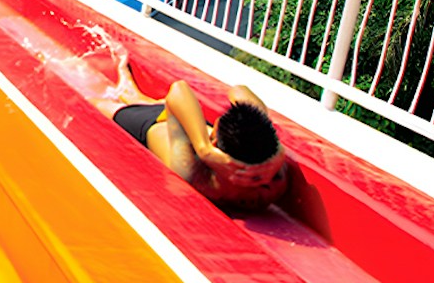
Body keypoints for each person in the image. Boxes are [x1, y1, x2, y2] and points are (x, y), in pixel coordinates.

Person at [78, 57, 288, 211]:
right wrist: (203, 150)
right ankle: (133, 96)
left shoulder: (273, 172)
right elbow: (181, 90)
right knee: (92, 102)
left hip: (180, 123)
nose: (260, 190)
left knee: (154, 108)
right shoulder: (192, 169)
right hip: (150, 124)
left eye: (261, 180)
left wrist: (276, 151)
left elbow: (238, 92)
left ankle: (135, 96)